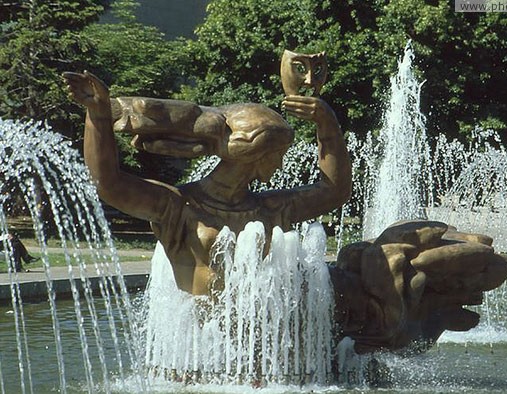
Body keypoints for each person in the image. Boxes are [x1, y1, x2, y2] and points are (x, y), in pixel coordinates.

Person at [63, 71, 352, 296]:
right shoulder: (178, 205)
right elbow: (107, 183)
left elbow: (335, 190)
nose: (280, 163)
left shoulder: (270, 208)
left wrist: (326, 124)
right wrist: (98, 116)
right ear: (255, 155)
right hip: (201, 353)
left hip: (262, 355)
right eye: (278, 154)